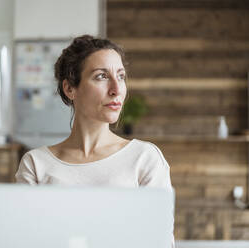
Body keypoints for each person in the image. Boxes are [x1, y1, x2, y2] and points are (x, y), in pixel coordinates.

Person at [15, 35, 175, 247]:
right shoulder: (35, 163)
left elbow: (160, 242)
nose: (117, 89)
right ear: (70, 88)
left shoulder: (145, 159)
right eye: (101, 76)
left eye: (121, 76)